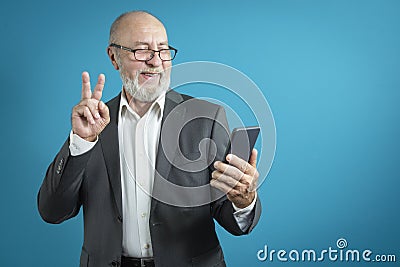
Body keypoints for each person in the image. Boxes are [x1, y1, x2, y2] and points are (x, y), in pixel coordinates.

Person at [38, 11, 261, 267]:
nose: (156, 61)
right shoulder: (92, 126)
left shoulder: (206, 119)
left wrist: (243, 200)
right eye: (142, 51)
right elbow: (52, 211)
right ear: (114, 57)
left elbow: (233, 220)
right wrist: (80, 142)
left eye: (163, 50)